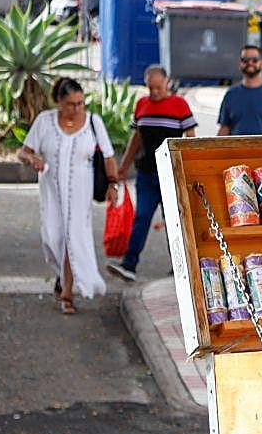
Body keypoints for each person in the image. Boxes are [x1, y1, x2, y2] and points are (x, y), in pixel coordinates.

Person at [19, 78, 123, 316]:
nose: (76, 109)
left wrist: (113, 184)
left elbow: (108, 156)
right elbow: (23, 151)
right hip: (51, 191)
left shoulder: (93, 122)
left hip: (81, 190)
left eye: (80, 103)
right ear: (59, 102)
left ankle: (67, 293)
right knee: (52, 236)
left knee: (72, 238)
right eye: (70, 104)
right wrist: (31, 159)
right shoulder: (45, 122)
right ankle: (61, 275)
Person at [107, 65, 196, 283]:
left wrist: (190, 167)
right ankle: (129, 264)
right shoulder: (142, 105)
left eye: (158, 87)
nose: (154, 92)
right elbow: (136, 138)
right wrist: (124, 166)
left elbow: (190, 137)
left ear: (166, 83)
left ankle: (180, 267)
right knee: (142, 217)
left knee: (174, 221)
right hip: (146, 173)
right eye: (150, 88)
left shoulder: (179, 105)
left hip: (170, 173)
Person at [216, 47, 262, 135]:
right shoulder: (231, 94)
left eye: (254, 60)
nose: (250, 63)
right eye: (245, 60)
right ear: (240, 63)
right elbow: (224, 129)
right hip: (236, 148)